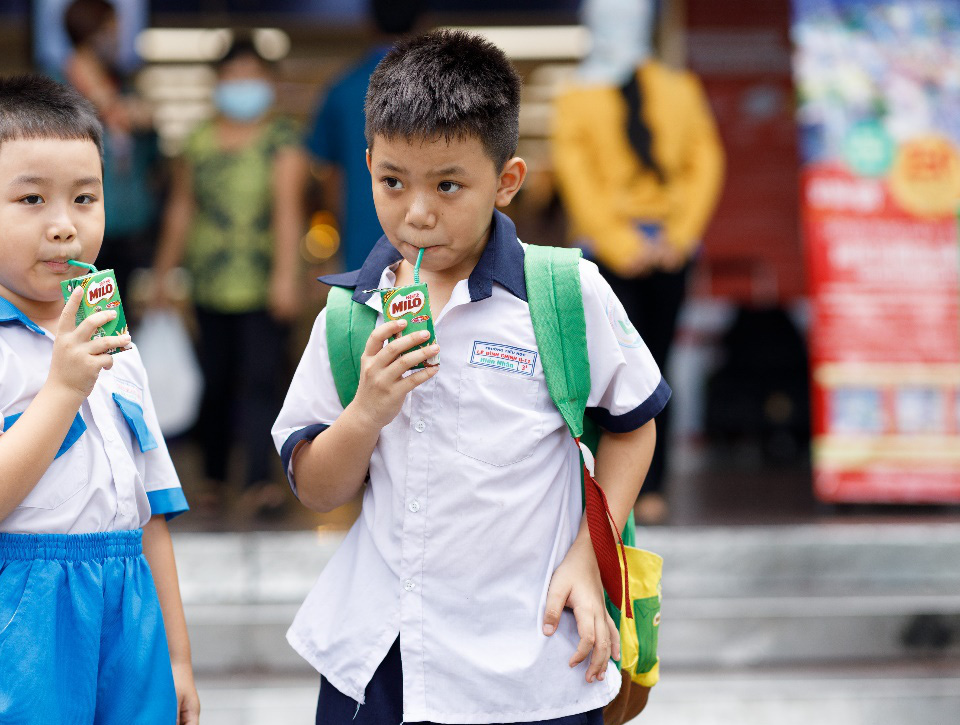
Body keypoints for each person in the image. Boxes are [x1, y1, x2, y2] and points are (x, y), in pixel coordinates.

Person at [272, 31, 668, 724]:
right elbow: (315, 487)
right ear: (365, 166)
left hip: (535, 658)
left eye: (448, 185)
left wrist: (586, 557)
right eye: (392, 181)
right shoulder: (349, 314)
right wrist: (366, 413)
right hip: (381, 659)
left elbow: (634, 426)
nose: (417, 212)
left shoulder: (564, 292)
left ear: (506, 181)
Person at [0, 75, 199, 724]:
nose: (64, 226)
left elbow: (150, 512)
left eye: (85, 198)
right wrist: (63, 387)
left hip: (129, 615)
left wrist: (177, 657)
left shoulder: (114, 343)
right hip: (18, 620)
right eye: (32, 199)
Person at [550, 0, 724, 525]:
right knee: (609, 368)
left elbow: (704, 161)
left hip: (667, 247)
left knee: (655, 366)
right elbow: (575, 176)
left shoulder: (677, 88)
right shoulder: (576, 98)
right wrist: (622, 245)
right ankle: (606, 483)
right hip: (609, 254)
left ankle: (653, 484)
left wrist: (680, 234)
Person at [151, 37, 305, 517]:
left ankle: (260, 482)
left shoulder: (283, 140)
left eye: (252, 76)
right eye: (233, 76)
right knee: (213, 381)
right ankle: (214, 479)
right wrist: (162, 274)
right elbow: (181, 208)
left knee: (261, 382)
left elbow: (288, 212)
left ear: (269, 83)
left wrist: (287, 276)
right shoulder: (197, 140)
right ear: (217, 82)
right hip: (207, 281)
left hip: (261, 281)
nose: (242, 86)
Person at [305, 0, 424, 272]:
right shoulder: (446, 88)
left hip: (362, 247)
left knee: (369, 313)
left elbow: (330, 176)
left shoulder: (342, 89)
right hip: (431, 245)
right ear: (424, 23)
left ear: (368, 25)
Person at [63, 0, 161, 307]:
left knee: (114, 326)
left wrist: (147, 124)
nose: (117, 37)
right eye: (111, 29)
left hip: (126, 228)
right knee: (77, 318)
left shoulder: (126, 89)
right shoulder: (56, 90)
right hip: (74, 227)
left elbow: (152, 161)